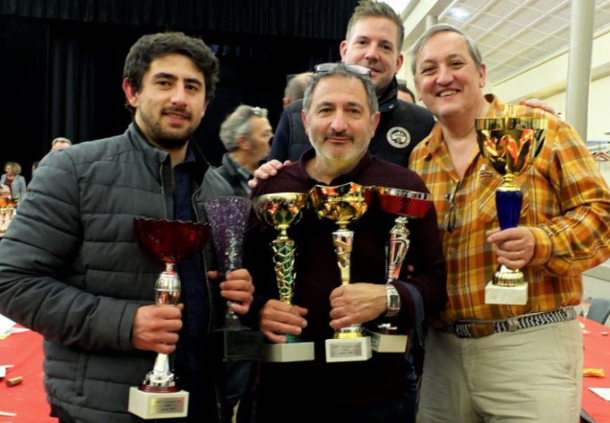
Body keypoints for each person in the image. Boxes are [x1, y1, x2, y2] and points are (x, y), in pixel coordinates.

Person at [0, 32, 255, 423]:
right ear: (132, 92)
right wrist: (125, 323)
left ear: (205, 103)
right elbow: (11, 281)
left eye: (193, 87)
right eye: (164, 82)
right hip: (104, 411)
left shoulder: (218, 189)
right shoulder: (74, 170)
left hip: (202, 403)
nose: (179, 98)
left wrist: (231, 296)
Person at [408, 24, 610, 423]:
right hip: (443, 354)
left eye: (455, 63)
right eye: (429, 69)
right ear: (418, 86)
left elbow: (601, 214)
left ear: (481, 73)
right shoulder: (419, 159)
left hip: (530, 344)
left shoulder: (541, 128)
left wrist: (541, 242)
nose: (443, 77)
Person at [246, 64, 447, 423]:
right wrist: (259, 310)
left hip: (378, 399)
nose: (338, 124)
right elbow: (241, 282)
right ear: (306, 121)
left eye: (353, 111)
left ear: (372, 125)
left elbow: (435, 284)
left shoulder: (405, 187)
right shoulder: (272, 189)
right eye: (326, 110)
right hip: (283, 396)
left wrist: (387, 297)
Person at [268, 0, 436, 168]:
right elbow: (274, 187)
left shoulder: (422, 125)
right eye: (362, 42)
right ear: (344, 51)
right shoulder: (294, 117)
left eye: (385, 46)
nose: (372, 54)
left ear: (398, 62)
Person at [217, 105, 273, 197]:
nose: (273, 138)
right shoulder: (215, 184)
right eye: (265, 134)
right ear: (244, 142)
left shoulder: (272, 173)